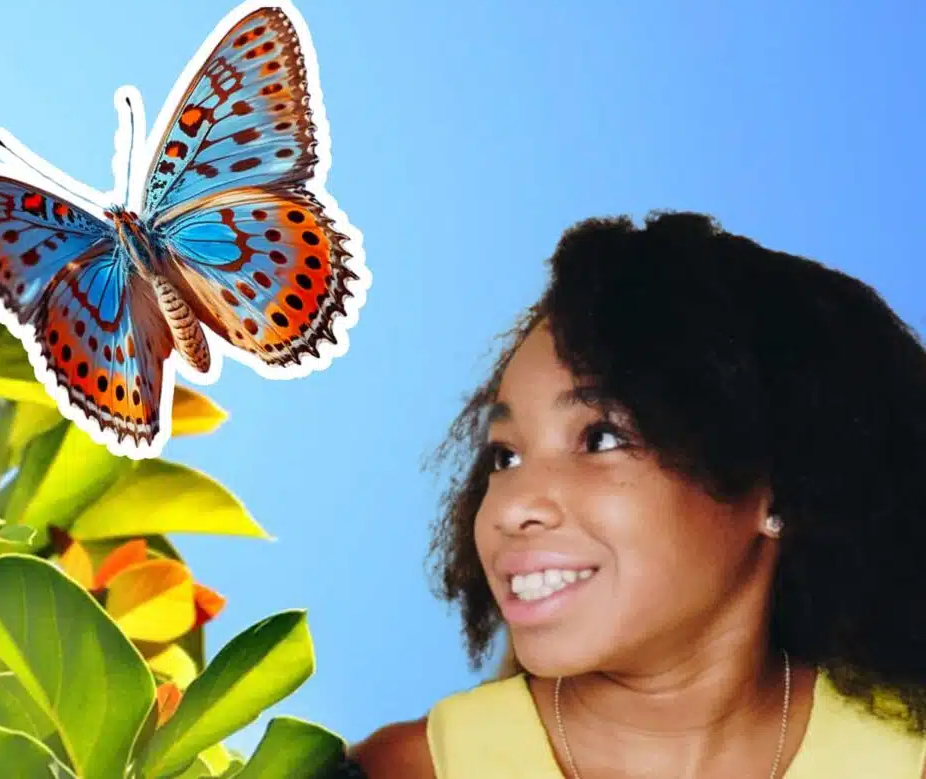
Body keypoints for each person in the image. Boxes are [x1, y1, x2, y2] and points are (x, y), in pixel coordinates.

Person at [349, 212, 926, 777]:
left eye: (600, 438)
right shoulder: (406, 769)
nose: (512, 506)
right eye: (506, 456)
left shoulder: (904, 757)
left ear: (776, 492)